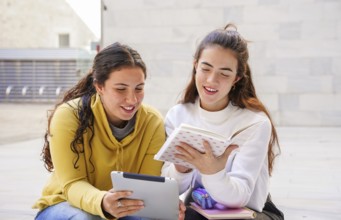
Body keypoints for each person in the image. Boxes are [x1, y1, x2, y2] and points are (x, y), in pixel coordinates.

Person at [33, 42, 185, 220]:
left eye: (139, 88)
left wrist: (165, 204)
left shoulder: (152, 122)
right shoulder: (68, 116)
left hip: (124, 208)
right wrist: (103, 201)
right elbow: (72, 185)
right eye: (120, 89)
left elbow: (146, 186)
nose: (132, 99)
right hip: (65, 204)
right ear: (99, 87)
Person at [161, 23, 284, 220]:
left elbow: (240, 196)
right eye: (206, 68)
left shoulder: (254, 123)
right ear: (195, 66)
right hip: (203, 206)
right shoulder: (178, 115)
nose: (211, 80)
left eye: (224, 74)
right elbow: (169, 187)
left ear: (236, 78)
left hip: (250, 212)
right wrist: (180, 169)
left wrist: (213, 172)